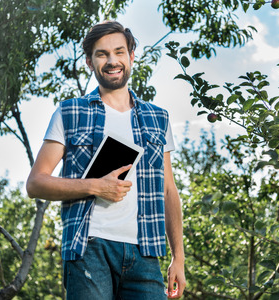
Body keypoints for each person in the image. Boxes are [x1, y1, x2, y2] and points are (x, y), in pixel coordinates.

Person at [26, 20, 186, 299]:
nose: (112, 61)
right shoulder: (69, 112)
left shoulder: (158, 118)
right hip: (88, 249)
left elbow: (169, 190)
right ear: (89, 62)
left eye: (119, 52)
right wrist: (96, 186)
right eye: (102, 54)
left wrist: (178, 258)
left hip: (145, 253)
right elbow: (35, 183)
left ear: (131, 56)